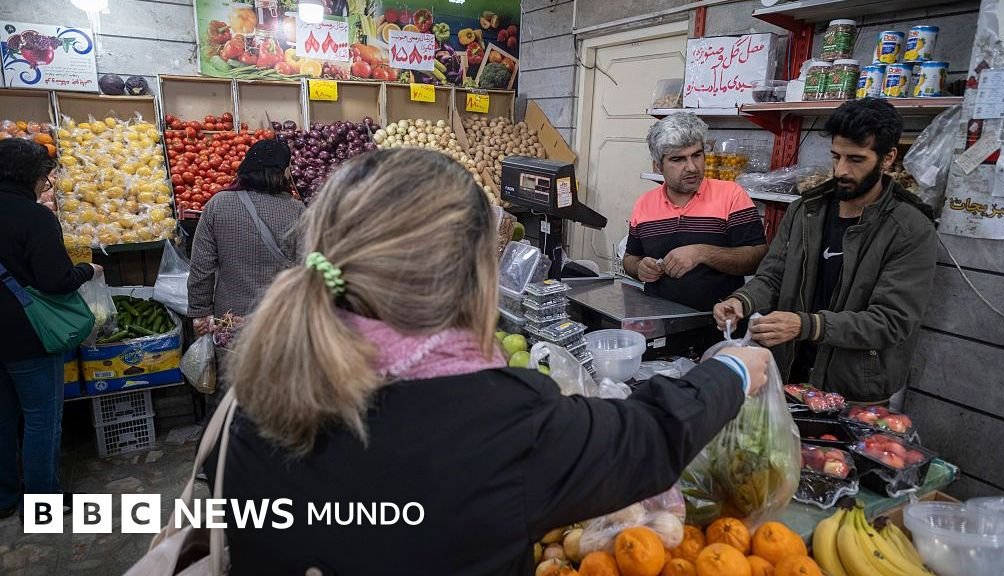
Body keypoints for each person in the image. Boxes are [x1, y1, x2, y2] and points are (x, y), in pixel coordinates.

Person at [207, 148, 772, 575]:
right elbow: (647, 437)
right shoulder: (497, 420)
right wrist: (735, 369)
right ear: (474, 274)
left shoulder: (254, 391)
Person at [714, 98, 937, 404]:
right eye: (836, 156)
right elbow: (773, 275)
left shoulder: (909, 228)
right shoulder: (806, 211)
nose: (841, 170)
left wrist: (806, 325)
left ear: (888, 158)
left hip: (853, 391)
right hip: (788, 375)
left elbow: (891, 321)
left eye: (856, 160)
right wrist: (742, 300)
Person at [0, 139, 102, 518]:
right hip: (28, 334)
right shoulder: (35, 217)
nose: (47, 183)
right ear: (31, 176)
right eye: (46, 175)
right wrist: (88, 271)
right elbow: (55, 280)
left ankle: (5, 498)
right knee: (41, 417)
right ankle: (44, 500)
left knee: (3, 418)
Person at [623, 112, 768, 312]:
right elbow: (630, 258)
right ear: (658, 166)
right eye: (678, 159)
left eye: (697, 155)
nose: (691, 167)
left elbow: (758, 258)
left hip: (719, 324)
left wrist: (702, 253)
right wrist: (640, 268)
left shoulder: (731, 195)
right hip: (659, 323)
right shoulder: (644, 204)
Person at [188, 138, 305, 331]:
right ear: (282, 173)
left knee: (232, 360)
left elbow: (201, 267)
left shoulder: (218, 204)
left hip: (229, 320)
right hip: (279, 321)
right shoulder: (297, 210)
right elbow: (307, 269)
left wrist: (200, 312)